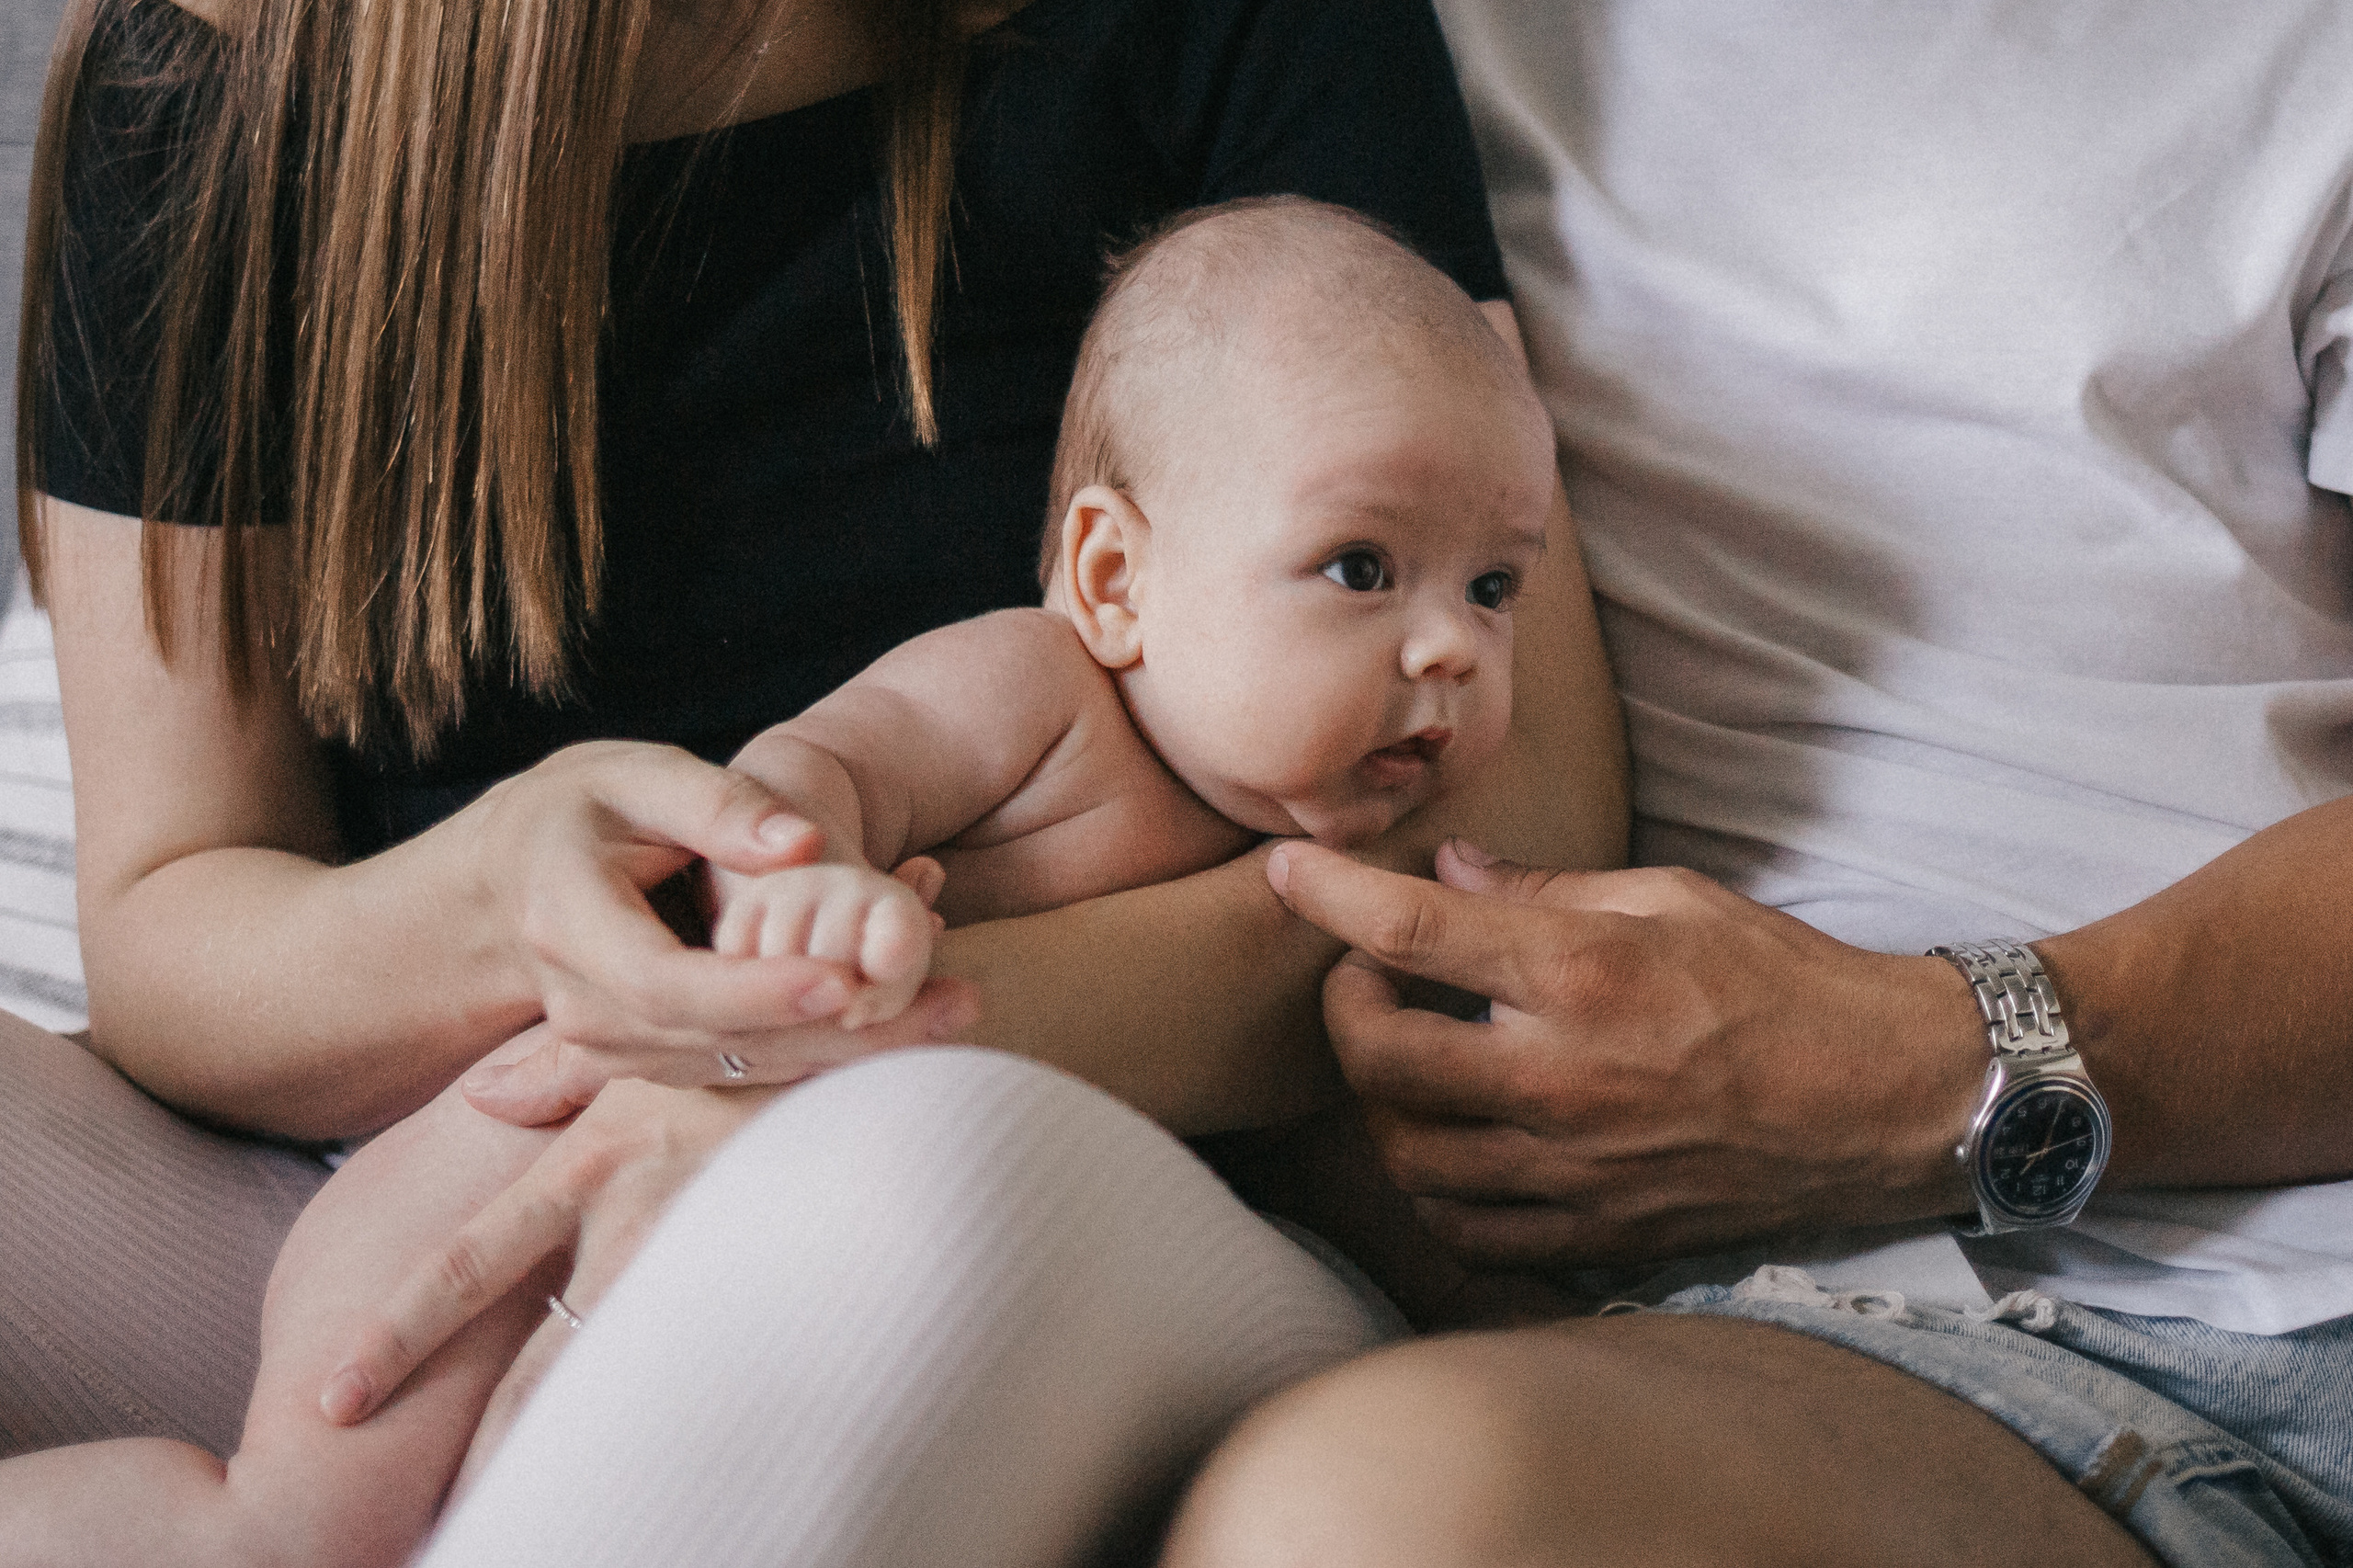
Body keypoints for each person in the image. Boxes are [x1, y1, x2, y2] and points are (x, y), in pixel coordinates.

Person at [309, 4, 2353, 1568]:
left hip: (2159, 1296)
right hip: (1552, 1284)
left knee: (1370, 1514)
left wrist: (1947, 1067)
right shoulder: (1348, 49)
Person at [2, 0, 1622, 1554]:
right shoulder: (216, 69)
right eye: (1357, 573)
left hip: (1061, 1146)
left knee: (881, 1199)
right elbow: (172, 909)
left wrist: (811, 1052)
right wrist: (505, 905)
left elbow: (1519, 822)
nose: (1447, 637)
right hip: (446, 1123)